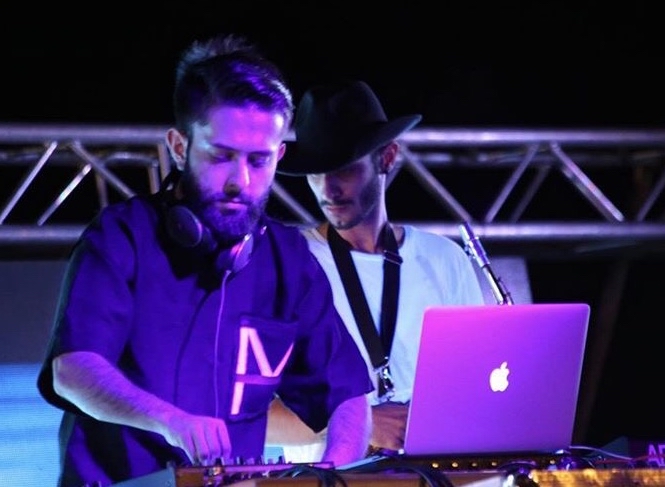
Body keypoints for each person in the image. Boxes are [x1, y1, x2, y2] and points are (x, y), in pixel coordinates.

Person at [36, 35, 373, 487]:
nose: (240, 180)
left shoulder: (289, 261)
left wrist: (332, 477)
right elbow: (73, 369)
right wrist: (169, 420)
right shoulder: (122, 236)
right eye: (221, 156)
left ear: (280, 155)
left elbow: (348, 397)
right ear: (179, 146)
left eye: (259, 160)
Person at [267, 80, 486, 461]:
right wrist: (362, 421)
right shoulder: (286, 261)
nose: (328, 189)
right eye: (316, 173)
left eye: (343, 170)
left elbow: (481, 388)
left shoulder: (445, 259)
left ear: (387, 157)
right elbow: (251, 416)